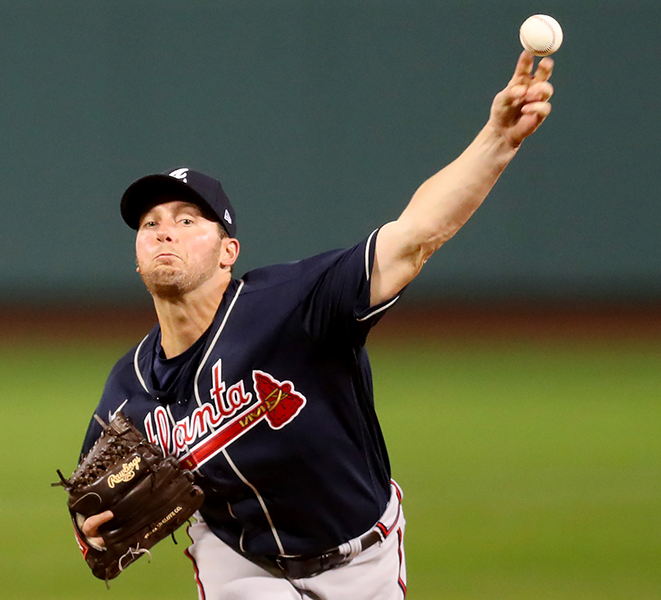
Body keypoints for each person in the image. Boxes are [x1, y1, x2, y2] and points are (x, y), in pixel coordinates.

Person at [74, 51, 554, 600]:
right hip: (240, 563)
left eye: (187, 220)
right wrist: (92, 533)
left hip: (362, 556)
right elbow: (94, 502)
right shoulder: (127, 386)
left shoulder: (294, 303)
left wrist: (497, 140)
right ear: (136, 258)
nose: (165, 232)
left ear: (229, 251)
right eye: (151, 223)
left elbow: (414, 236)